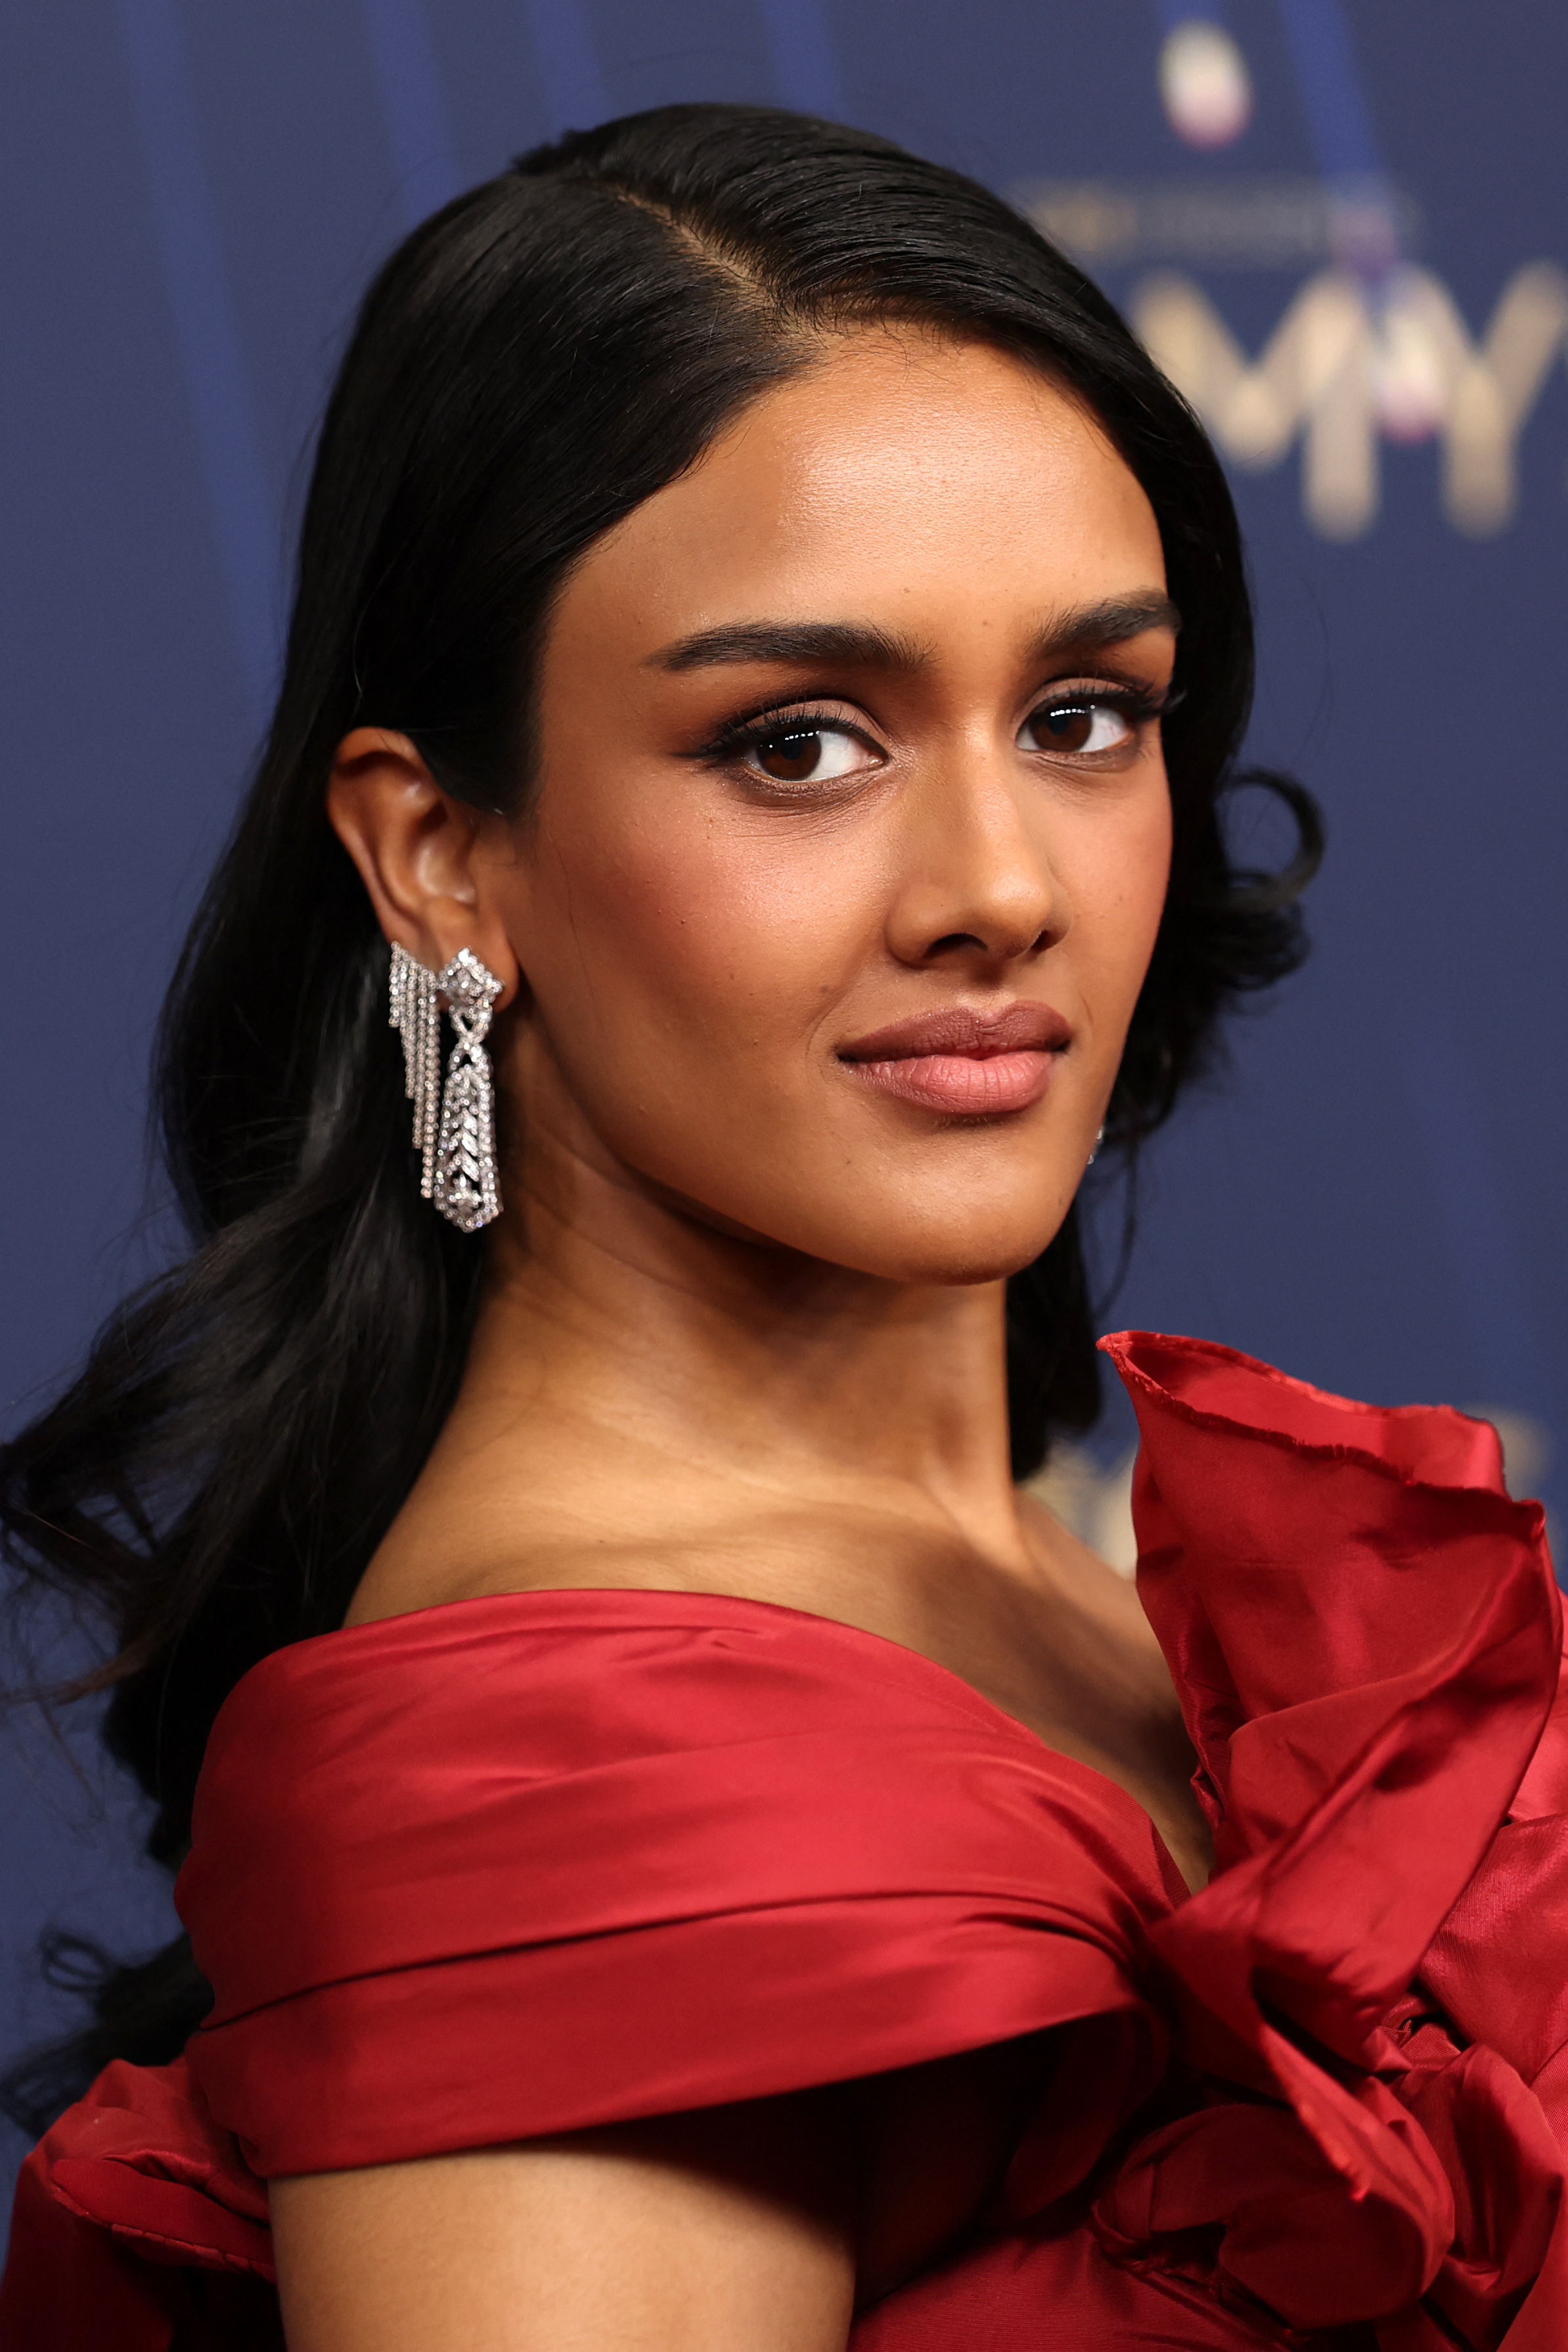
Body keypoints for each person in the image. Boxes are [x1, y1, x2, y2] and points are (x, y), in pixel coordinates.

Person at [0, 102, 1563, 2352]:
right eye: (800, 743)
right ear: (440, 852)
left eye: (1079, 714)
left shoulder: (1069, 1589)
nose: (1001, 886)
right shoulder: (559, 1776)